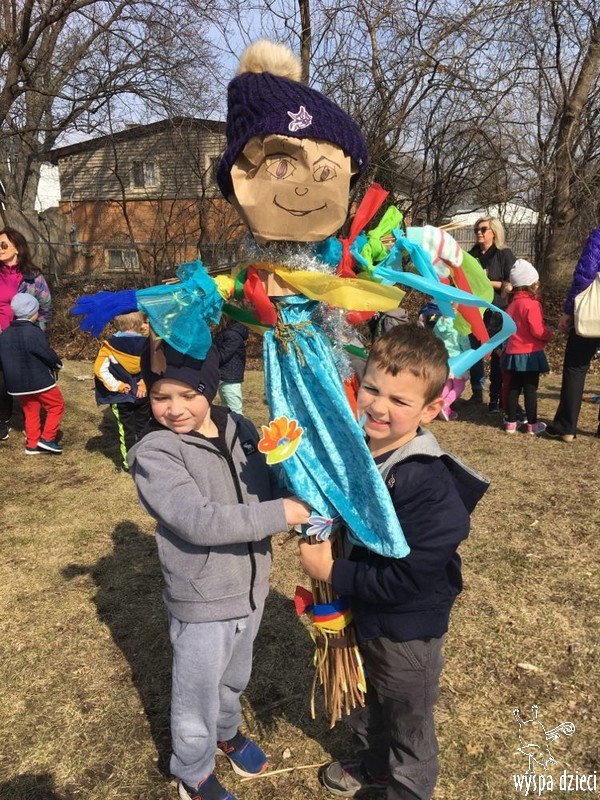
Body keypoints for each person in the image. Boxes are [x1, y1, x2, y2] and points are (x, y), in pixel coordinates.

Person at [298, 324, 489, 800]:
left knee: (407, 714)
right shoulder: (358, 452)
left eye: (399, 401)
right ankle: (375, 765)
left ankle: (408, 788)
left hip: (407, 628)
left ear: (430, 410)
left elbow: (408, 578)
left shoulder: (428, 485)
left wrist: (330, 572)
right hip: (361, 610)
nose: (379, 407)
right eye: (372, 389)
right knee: (366, 696)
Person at [127, 340, 311, 800]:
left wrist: (301, 477)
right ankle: (193, 771)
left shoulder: (241, 427)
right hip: (202, 597)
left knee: (234, 676)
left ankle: (227, 732)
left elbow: (266, 483)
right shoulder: (156, 452)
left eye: (188, 394)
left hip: (251, 586)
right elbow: (198, 520)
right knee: (197, 691)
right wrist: (282, 513)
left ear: (209, 387)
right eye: (160, 397)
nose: (174, 409)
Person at [545, 228, 600, 442]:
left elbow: (585, 275)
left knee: (576, 367)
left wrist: (569, 310)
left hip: (592, 314)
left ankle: (566, 426)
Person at [0, 227, 52, 440]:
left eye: (3, 245)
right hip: (1, 334)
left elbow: (45, 307)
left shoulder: (32, 277)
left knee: (25, 378)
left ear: (17, 248)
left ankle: (30, 420)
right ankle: (2, 419)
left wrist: (36, 333)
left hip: (23, 337)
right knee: (1, 380)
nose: (0, 249)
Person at [0, 293, 64, 454]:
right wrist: (57, 364)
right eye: (37, 311)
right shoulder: (34, 332)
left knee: (31, 410)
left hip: (17, 384)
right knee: (56, 405)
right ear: (32, 313)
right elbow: (45, 352)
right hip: (39, 380)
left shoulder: (5, 334)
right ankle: (48, 438)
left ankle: (32, 443)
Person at [467, 217, 516, 411]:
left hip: (497, 310)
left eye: (483, 229)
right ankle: (477, 391)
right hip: (475, 310)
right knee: (474, 351)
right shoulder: (471, 256)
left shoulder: (504, 254)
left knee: (497, 353)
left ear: (494, 232)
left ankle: (496, 396)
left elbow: (511, 284)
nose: (479, 233)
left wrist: (487, 282)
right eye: (476, 230)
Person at [93, 311, 151, 471]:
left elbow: (100, 369)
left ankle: (130, 463)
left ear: (118, 324)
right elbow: (156, 366)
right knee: (144, 426)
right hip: (143, 393)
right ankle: (147, 459)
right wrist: (145, 383)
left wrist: (117, 385)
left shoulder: (109, 345)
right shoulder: (148, 344)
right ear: (139, 324)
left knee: (126, 429)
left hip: (121, 395)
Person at [501, 260, 553, 436]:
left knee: (513, 388)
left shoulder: (511, 305)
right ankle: (532, 424)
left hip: (513, 352)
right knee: (530, 389)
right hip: (530, 353)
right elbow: (537, 330)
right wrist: (549, 334)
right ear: (531, 284)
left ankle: (511, 422)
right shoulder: (532, 304)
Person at [433, 311, 471, 420]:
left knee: (447, 384)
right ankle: (446, 403)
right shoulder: (459, 325)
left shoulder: (438, 323)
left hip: (443, 360)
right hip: (458, 361)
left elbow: (434, 340)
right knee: (459, 386)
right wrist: (469, 360)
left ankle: (440, 406)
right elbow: (465, 346)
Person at [213, 318, 248, 415]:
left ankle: (239, 425)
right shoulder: (226, 333)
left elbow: (222, 356)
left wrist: (209, 360)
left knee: (235, 410)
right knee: (226, 409)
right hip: (225, 376)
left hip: (229, 378)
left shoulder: (232, 335)